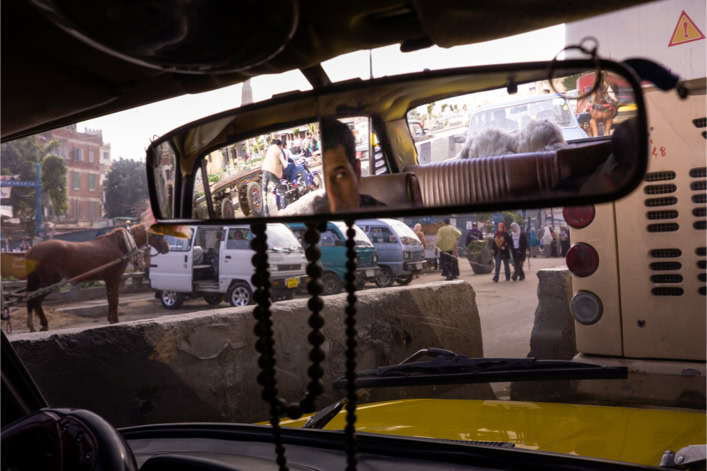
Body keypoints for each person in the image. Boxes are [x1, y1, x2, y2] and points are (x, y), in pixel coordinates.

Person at [321, 117, 386, 212]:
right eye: (324, 180)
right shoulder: (312, 211)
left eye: (340, 175)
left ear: (357, 171)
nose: (333, 201)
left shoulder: (382, 215)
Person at [261, 138, 289, 216]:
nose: (281, 148)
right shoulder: (278, 151)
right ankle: (284, 212)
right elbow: (285, 165)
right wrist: (286, 159)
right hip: (272, 173)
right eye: (281, 146)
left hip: (264, 171)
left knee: (264, 193)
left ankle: (266, 214)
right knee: (282, 191)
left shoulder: (269, 150)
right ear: (279, 145)